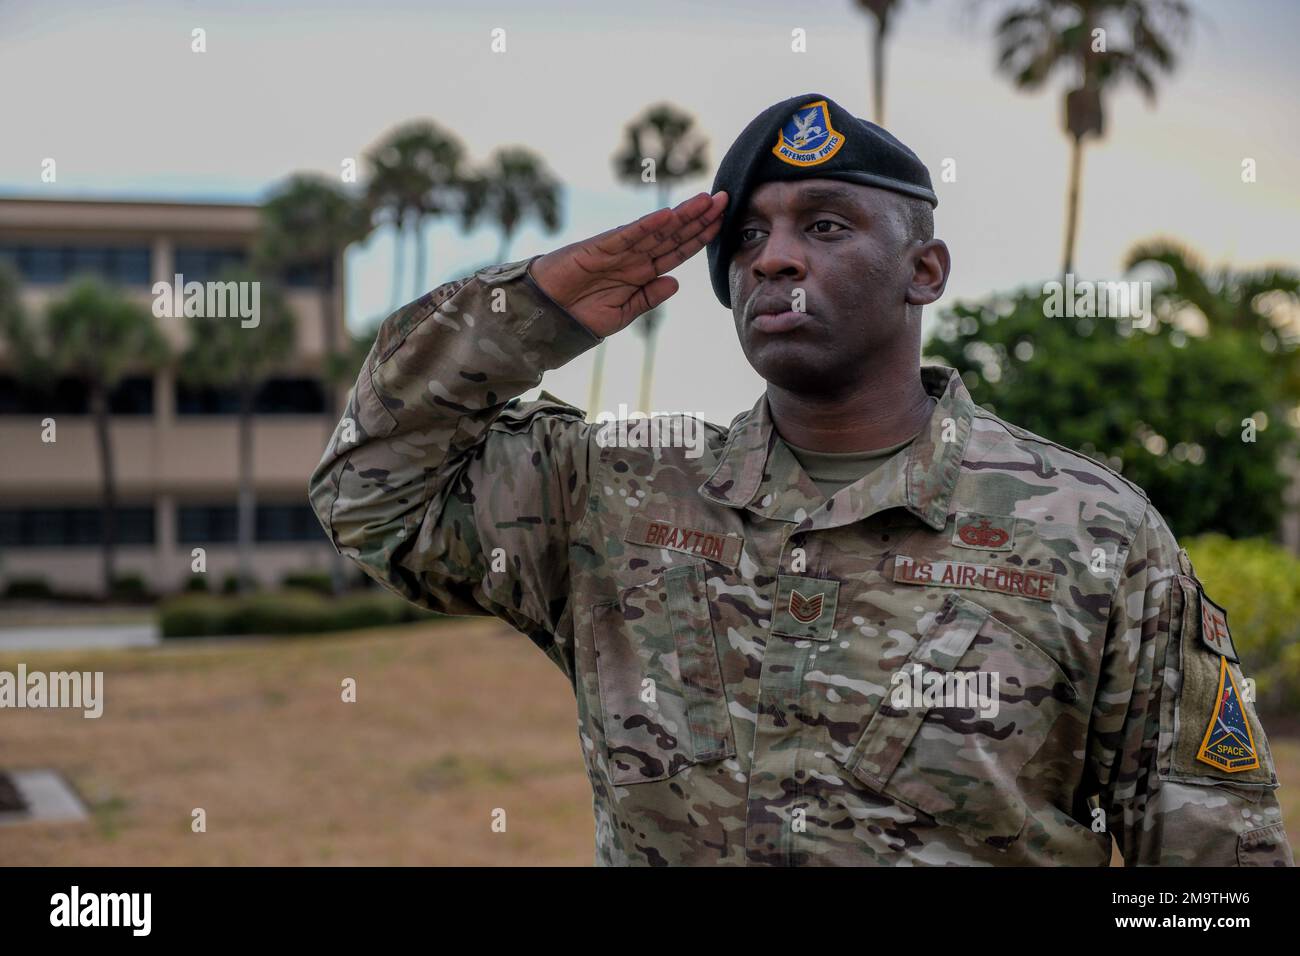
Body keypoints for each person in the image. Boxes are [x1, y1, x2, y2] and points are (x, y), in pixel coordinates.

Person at [309, 92, 1293, 866]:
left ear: (924, 269)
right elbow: (372, 488)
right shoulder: (616, 494)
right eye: (746, 236)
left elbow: (1211, 864)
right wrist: (530, 310)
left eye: (825, 225)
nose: (774, 255)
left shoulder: (1093, 534)